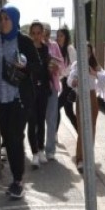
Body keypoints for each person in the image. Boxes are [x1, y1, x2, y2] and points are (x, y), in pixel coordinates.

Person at [0, 4, 39, 201]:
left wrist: (25, 65)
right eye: (1, 19)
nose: (3, 22)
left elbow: (38, 68)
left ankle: (18, 181)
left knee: (15, 137)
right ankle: (17, 178)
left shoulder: (24, 41)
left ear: (14, 20)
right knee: (8, 136)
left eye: (7, 19)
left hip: (18, 98)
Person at [68, 43, 105, 171]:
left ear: (91, 53)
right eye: (83, 52)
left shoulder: (94, 65)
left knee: (91, 128)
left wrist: (94, 73)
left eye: (88, 52)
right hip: (81, 96)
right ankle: (80, 159)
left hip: (91, 96)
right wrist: (74, 82)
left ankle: (88, 158)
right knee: (81, 128)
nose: (86, 54)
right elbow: (69, 81)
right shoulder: (76, 65)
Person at [27, 21, 52, 168]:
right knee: (32, 121)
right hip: (30, 90)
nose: (36, 36)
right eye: (34, 33)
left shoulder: (45, 49)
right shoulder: (27, 48)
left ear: (43, 34)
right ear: (31, 34)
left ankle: (41, 149)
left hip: (43, 89)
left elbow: (46, 68)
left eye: (39, 33)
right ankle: (34, 153)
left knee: (41, 120)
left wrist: (51, 67)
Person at [42, 23, 63, 161]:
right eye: (44, 33)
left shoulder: (54, 46)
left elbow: (62, 63)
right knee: (37, 120)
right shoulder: (34, 45)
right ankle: (37, 148)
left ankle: (50, 150)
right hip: (38, 87)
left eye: (48, 33)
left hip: (52, 86)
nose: (46, 36)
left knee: (51, 119)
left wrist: (56, 66)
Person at [56, 27, 77, 133]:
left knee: (56, 107)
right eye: (58, 36)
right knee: (69, 112)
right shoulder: (60, 50)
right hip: (65, 82)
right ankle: (81, 134)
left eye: (61, 36)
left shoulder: (70, 48)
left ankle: (53, 135)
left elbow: (74, 66)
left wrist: (62, 72)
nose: (59, 38)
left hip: (70, 84)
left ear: (66, 37)